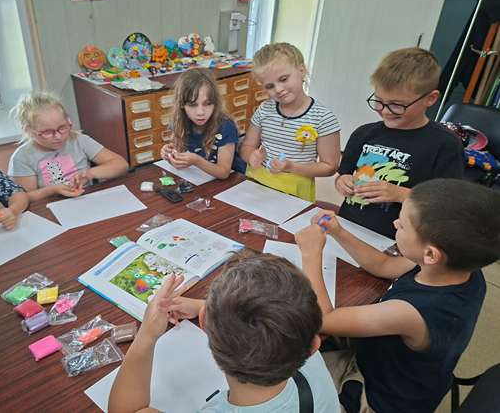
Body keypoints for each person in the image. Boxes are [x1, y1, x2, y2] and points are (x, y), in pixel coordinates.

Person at [295, 179, 500, 413]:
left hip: (381, 396)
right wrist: (339, 232)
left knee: (279, 373)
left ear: (431, 254)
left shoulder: (413, 311)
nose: (395, 223)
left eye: (402, 225)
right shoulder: (455, 268)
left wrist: (311, 254)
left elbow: (323, 319)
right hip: (391, 362)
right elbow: (384, 265)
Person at [108, 252, 339, 412]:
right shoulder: (300, 342)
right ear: (314, 345)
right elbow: (278, 318)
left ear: (204, 322)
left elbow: (128, 410)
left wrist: (146, 336)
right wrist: (207, 308)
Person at [336, 47, 464, 238]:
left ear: (430, 98)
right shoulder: (364, 133)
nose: (385, 111)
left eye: (397, 105)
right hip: (348, 227)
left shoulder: (445, 145)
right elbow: (343, 175)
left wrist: (399, 194)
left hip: (399, 240)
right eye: (378, 100)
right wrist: (342, 182)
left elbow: (448, 203)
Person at [240, 42, 341, 202]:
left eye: (283, 79)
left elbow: (329, 166)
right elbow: (247, 147)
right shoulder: (264, 110)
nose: (278, 89)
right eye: (270, 86)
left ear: (301, 71)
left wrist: (291, 167)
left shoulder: (323, 118)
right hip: (257, 182)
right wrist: (251, 156)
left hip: (295, 188)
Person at [8, 91, 128, 200]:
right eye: (47, 132)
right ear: (28, 130)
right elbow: (23, 198)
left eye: (62, 127)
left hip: (86, 199)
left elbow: (121, 165)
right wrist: (52, 190)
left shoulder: (79, 140)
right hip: (50, 206)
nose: (58, 136)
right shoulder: (22, 157)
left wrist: (89, 174)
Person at [160, 67, 246, 178]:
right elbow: (180, 159)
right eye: (192, 105)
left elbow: (224, 172)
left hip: (233, 182)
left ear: (215, 103)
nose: (200, 112)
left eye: (208, 103)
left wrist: (196, 161)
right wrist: (169, 155)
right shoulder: (179, 122)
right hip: (200, 180)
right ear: (182, 105)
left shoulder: (226, 126)